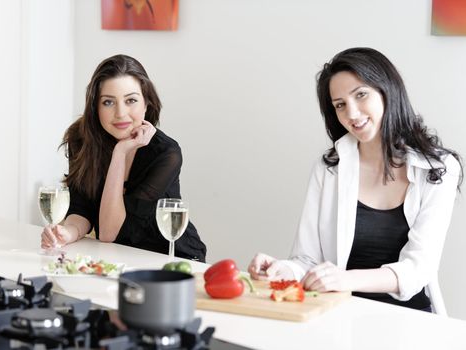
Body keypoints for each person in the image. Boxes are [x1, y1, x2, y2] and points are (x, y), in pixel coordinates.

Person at [248, 47, 463, 312]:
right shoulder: (329, 168)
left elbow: (418, 269)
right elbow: (307, 260)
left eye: (361, 95)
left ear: (387, 90)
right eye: (340, 105)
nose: (351, 114)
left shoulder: (438, 168)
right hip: (337, 312)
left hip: (409, 319)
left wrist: (346, 279)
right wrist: (283, 269)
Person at [40, 54, 207, 261]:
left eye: (131, 100)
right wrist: (68, 232)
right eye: (108, 102)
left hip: (170, 259)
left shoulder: (166, 153)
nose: (120, 113)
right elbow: (81, 208)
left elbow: (110, 233)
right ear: (95, 107)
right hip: (116, 258)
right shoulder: (81, 140)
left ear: (147, 103)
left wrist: (119, 153)